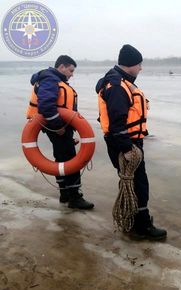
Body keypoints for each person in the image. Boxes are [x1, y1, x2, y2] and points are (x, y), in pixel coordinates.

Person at [95, 44, 167, 240]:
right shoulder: (118, 86)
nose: (141, 68)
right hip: (125, 143)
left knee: (133, 182)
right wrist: (127, 148)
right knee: (138, 183)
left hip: (127, 141)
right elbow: (118, 121)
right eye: (139, 64)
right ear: (130, 65)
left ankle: (132, 218)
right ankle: (141, 225)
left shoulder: (120, 82)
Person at [26, 55, 94, 209]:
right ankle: (74, 197)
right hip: (56, 126)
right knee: (70, 159)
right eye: (70, 70)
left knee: (62, 157)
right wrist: (58, 128)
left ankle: (65, 193)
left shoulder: (52, 79)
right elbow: (46, 106)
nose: (72, 74)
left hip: (59, 126)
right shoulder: (50, 80)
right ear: (61, 67)